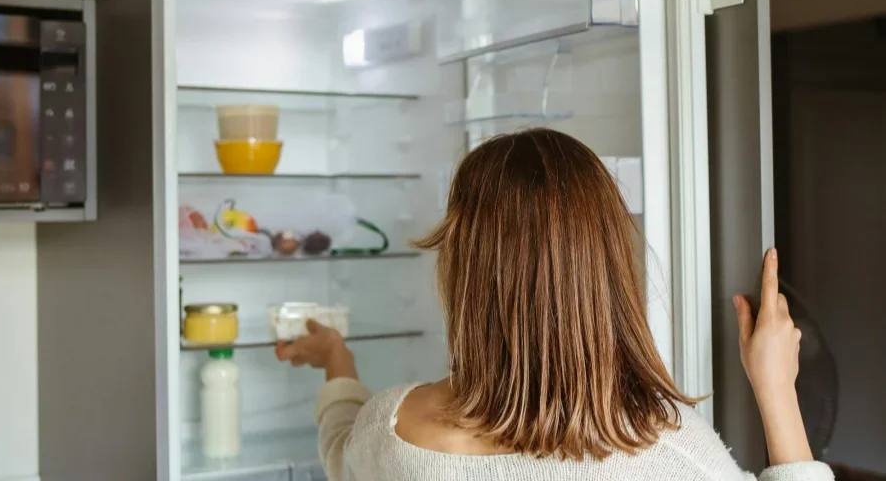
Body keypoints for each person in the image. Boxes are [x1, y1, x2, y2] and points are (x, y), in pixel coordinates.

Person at [276, 128, 832, 481]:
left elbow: (341, 454)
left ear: (466, 271)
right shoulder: (664, 448)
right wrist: (777, 388)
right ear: (607, 268)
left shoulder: (394, 429)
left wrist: (336, 361)